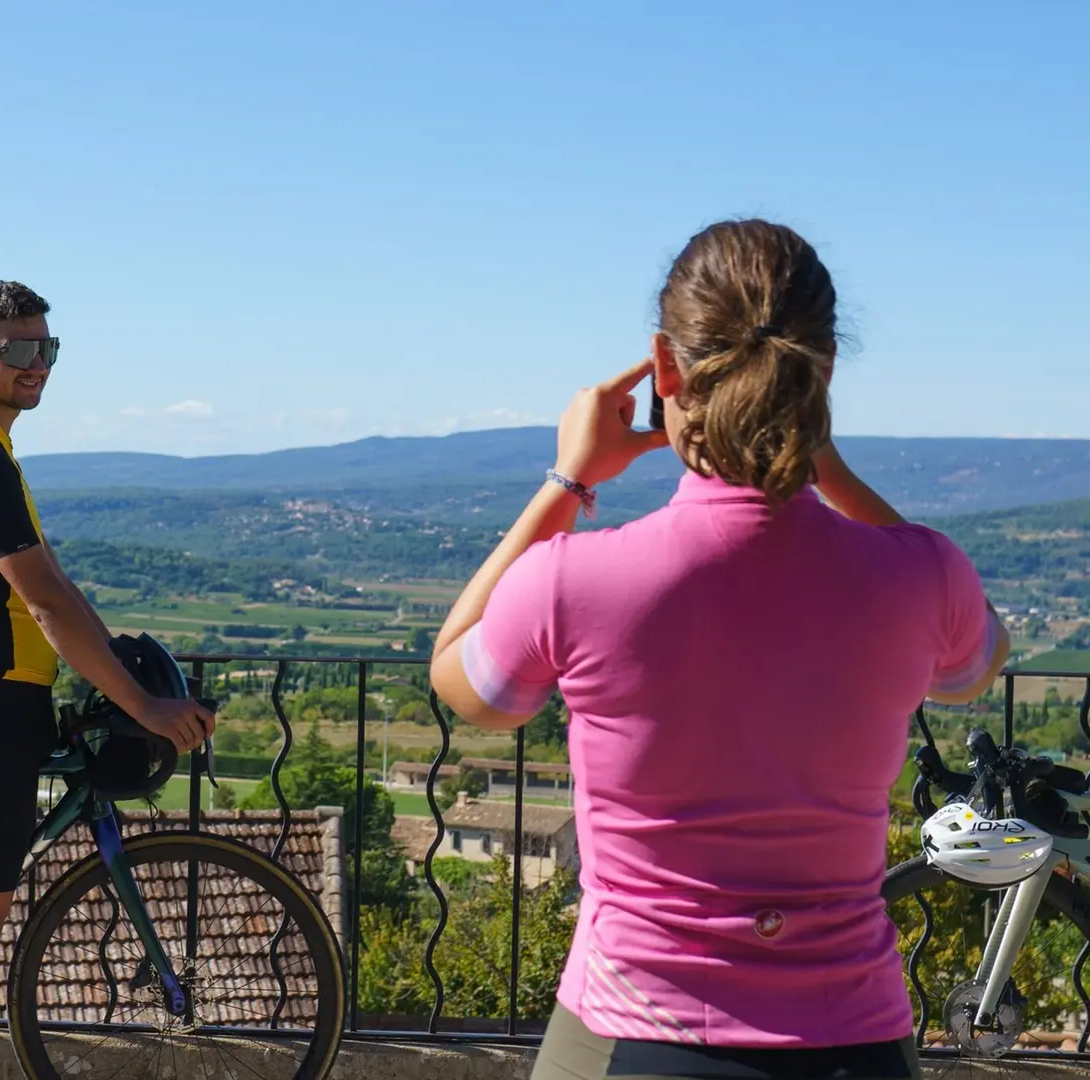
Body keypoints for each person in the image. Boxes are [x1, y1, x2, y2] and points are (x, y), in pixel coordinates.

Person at [429, 219, 1010, 1079]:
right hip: (854, 1039)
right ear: (826, 373)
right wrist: (828, 468)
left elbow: (459, 675)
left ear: (666, 369)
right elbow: (977, 663)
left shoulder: (574, 582)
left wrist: (571, 479)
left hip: (631, 1033)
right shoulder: (920, 576)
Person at [0, 280, 218, 1080]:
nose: (37, 364)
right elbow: (44, 603)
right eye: (18, 349)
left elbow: (56, 587)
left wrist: (112, 661)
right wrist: (140, 700)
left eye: (47, 347)